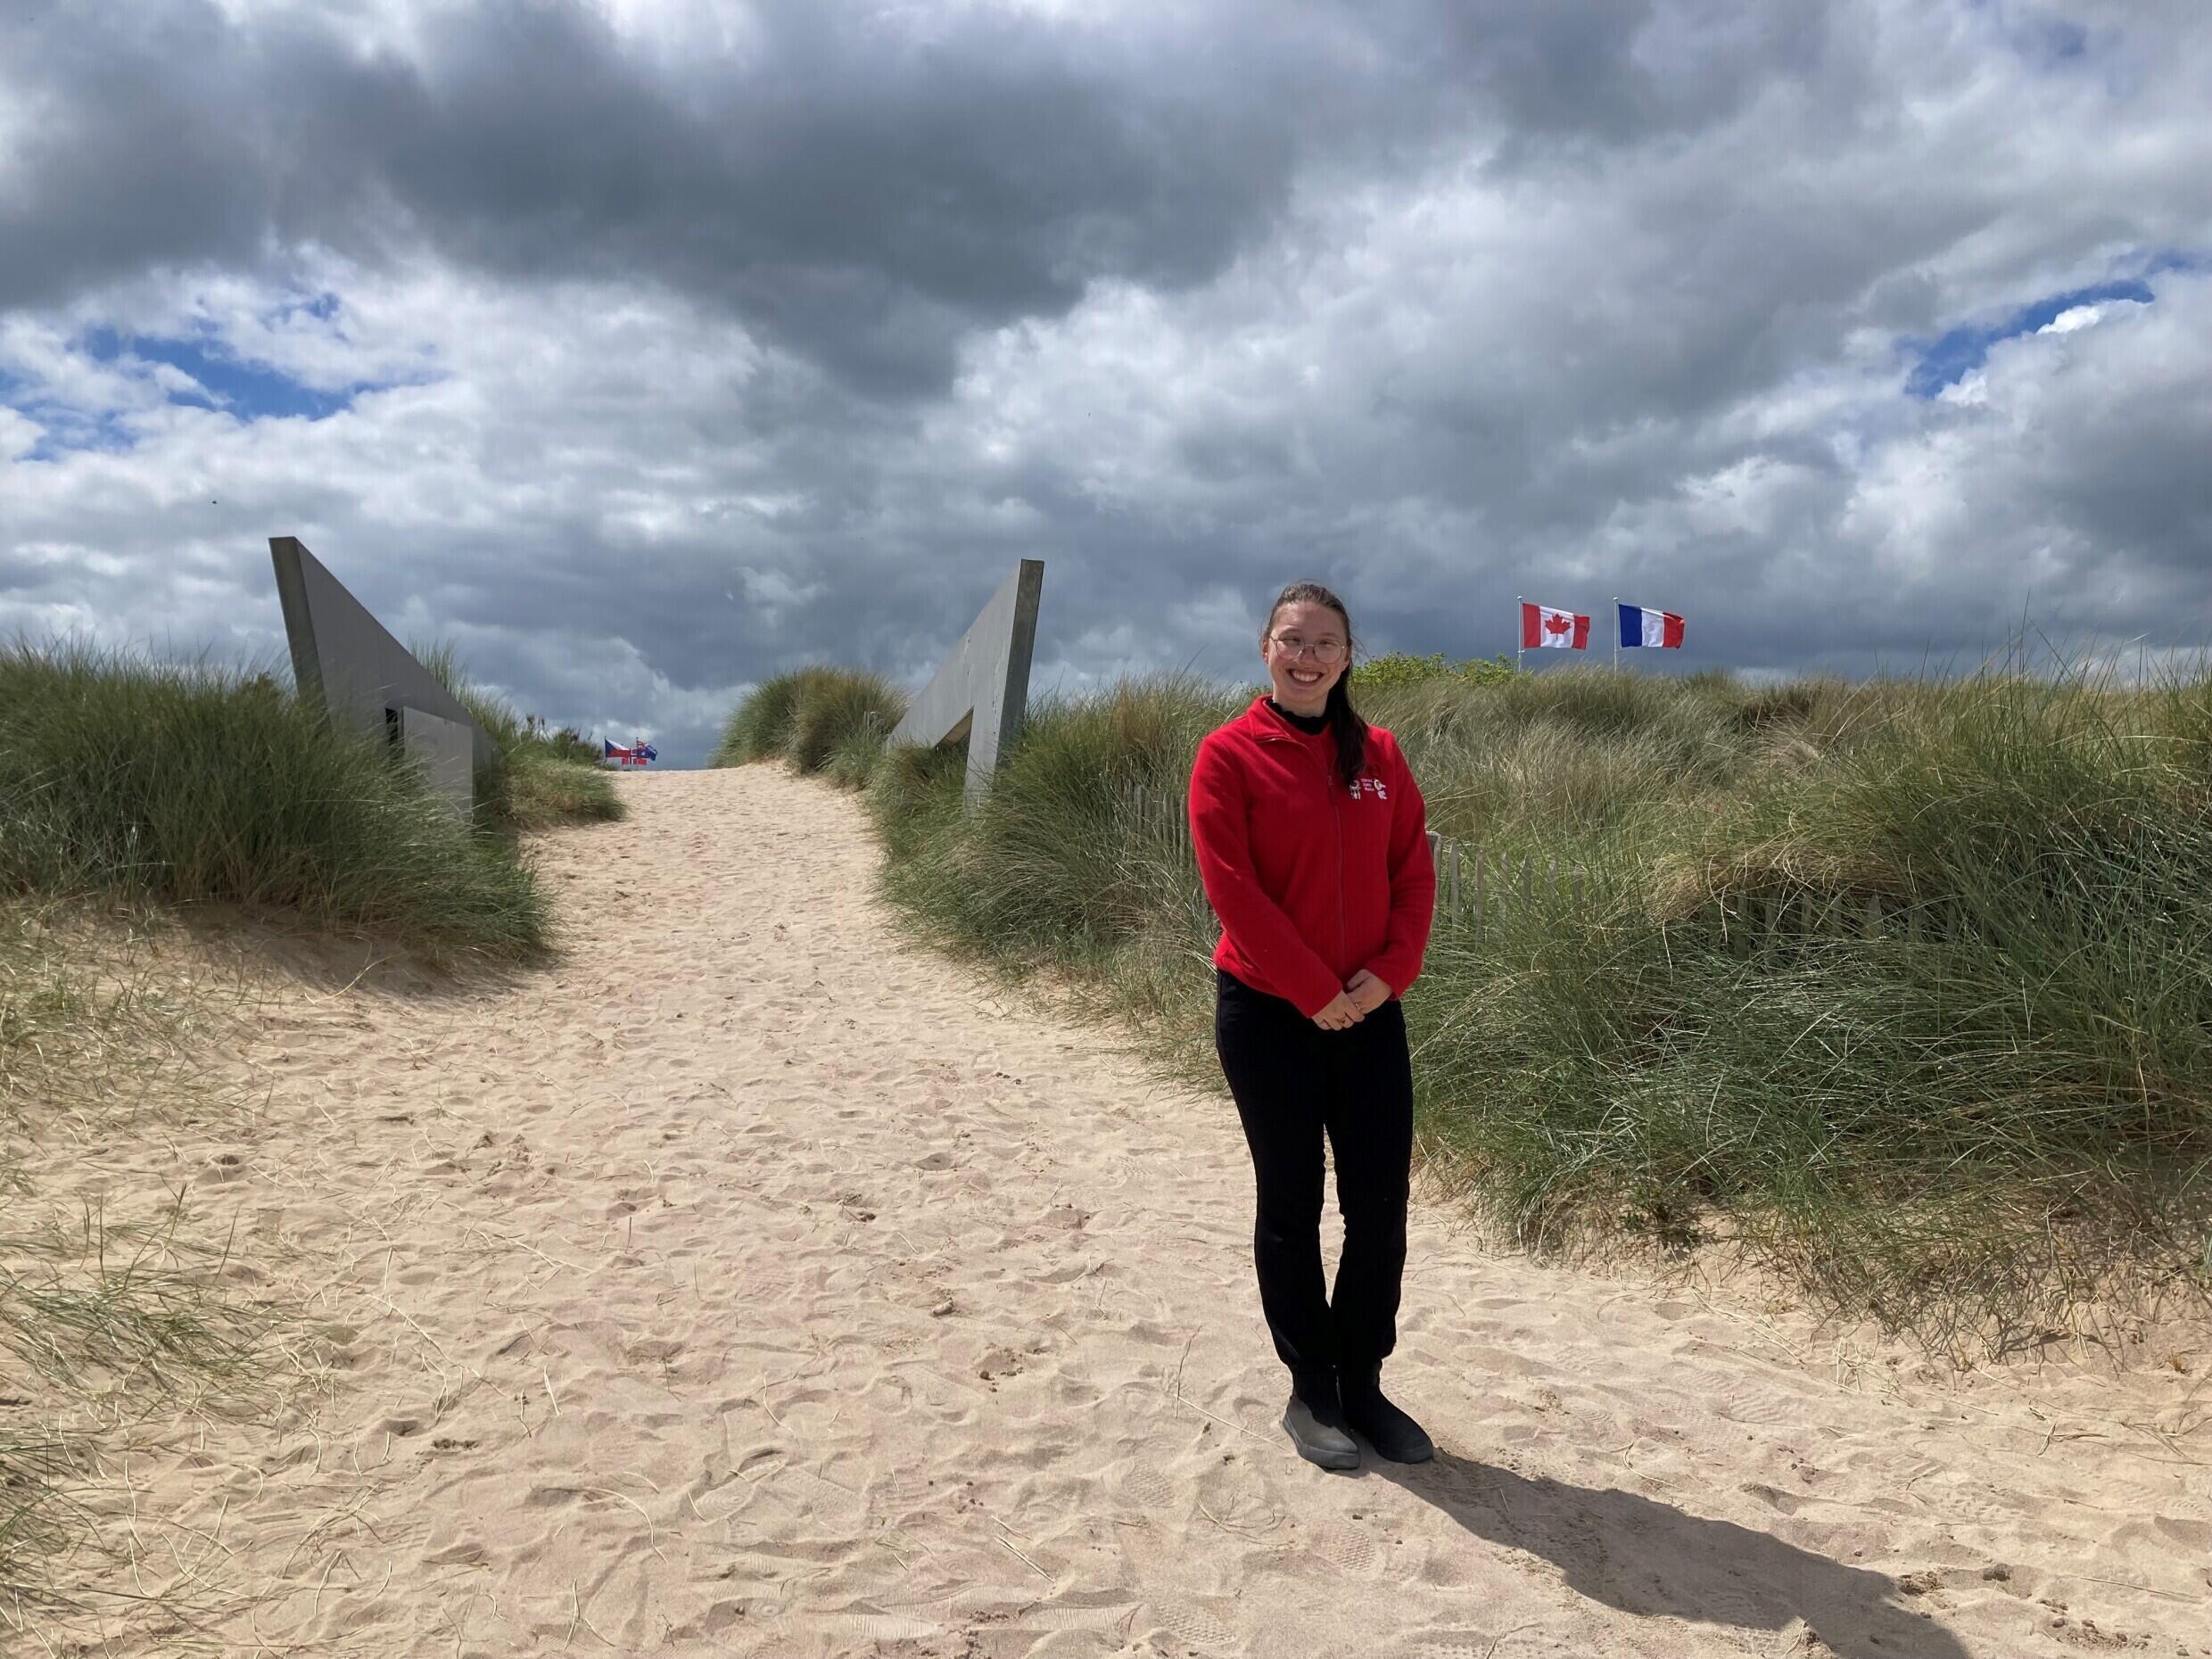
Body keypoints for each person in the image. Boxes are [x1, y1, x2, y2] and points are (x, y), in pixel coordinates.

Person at [1187, 581, 1438, 1471]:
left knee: (1377, 1204)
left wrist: (1389, 974)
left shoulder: (1379, 753)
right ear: (1265, 649)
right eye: (1291, 640)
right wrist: (1307, 990)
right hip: (1266, 1011)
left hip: (1370, 1007)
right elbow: (1234, 891)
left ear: (1345, 656)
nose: (1306, 656)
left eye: (1323, 643)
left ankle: (1363, 1383)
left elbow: (1412, 871)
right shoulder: (1227, 754)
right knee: (1290, 1202)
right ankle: (1311, 1387)